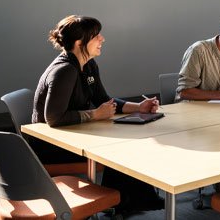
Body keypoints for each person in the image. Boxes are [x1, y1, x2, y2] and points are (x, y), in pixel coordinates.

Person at [32, 15, 163, 213]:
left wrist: (139, 107)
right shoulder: (65, 70)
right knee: (119, 147)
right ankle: (121, 202)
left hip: (72, 135)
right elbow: (54, 118)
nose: (102, 40)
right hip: (52, 146)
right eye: (96, 36)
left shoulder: (89, 64)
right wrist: (95, 115)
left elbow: (104, 100)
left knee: (127, 142)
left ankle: (122, 201)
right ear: (79, 43)